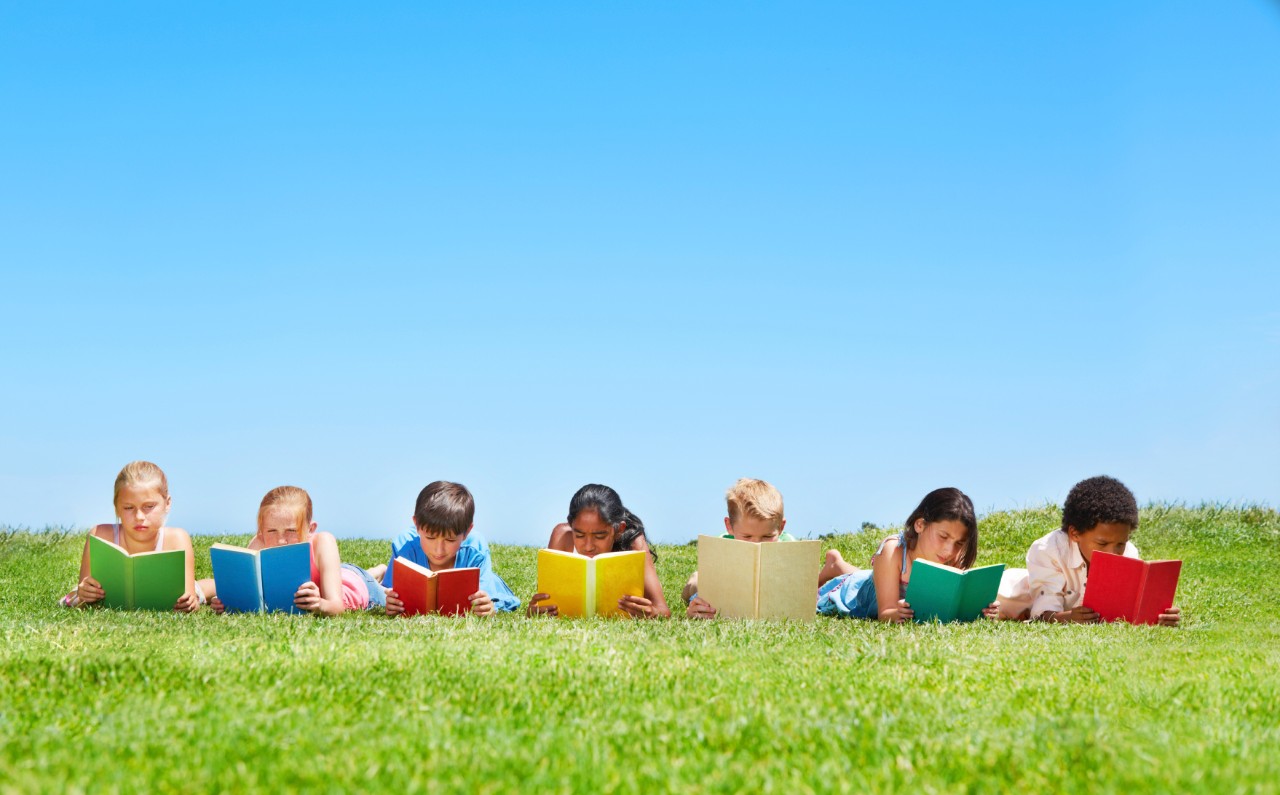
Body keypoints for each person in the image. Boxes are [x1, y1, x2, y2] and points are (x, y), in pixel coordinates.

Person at [998, 475, 1181, 625]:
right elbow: (1043, 613)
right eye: (1102, 544)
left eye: (1120, 544)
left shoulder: (1129, 554)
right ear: (1075, 533)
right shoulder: (1049, 550)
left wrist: (1157, 616)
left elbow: (1122, 611)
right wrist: (1067, 618)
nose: (1114, 553)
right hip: (1009, 593)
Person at [816, 487, 999, 622]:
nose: (949, 550)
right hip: (859, 595)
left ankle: (837, 564)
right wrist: (895, 614)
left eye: (959, 543)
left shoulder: (953, 559)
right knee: (859, 581)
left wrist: (982, 610)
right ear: (920, 525)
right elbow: (885, 612)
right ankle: (835, 565)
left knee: (872, 576)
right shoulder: (893, 551)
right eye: (943, 536)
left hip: (879, 576)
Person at [203, 486, 386, 615]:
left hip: (359, 586)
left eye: (291, 531)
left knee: (383, 590)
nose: (281, 540)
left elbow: (337, 607)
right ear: (261, 531)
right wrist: (228, 603)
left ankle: (378, 573)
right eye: (272, 531)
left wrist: (319, 604)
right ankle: (375, 571)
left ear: (310, 529)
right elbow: (249, 593)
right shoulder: (259, 543)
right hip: (334, 572)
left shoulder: (323, 542)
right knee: (337, 574)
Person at [64, 461, 200, 612]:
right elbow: (82, 596)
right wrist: (84, 593)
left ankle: (210, 586)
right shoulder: (99, 535)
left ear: (167, 503)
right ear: (117, 507)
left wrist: (190, 604)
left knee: (198, 588)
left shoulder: (177, 539)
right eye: (129, 508)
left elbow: (190, 599)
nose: (139, 516)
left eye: (149, 507)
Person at [529, 483, 671, 618]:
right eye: (579, 535)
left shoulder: (633, 541)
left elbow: (663, 610)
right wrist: (535, 610)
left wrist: (651, 612)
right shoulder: (562, 536)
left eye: (599, 536)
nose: (588, 546)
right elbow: (546, 600)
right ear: (571, 525)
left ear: (619, 530)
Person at [382, 481, 519, 616]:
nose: (438, 550)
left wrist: (490, 608)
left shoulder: (475, 550)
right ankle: (379, 571)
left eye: (450, 540)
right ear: (416, 525)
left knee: (498, 592)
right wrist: (390, 602)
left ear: (467, 532)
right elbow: (387, 592)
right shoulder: (404, 548)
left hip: (493, 584)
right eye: (430, 538)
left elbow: (486, 600)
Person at [684, 477, 797, 619]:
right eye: (747, 537)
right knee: (696, 582)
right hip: (730, 589)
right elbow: (715, 587)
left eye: (767, 536)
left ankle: (828, 572)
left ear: (781, 527)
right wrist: (696, 609)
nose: (757, 544)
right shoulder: (722, 546)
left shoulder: (789, 545)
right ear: (729, 526)